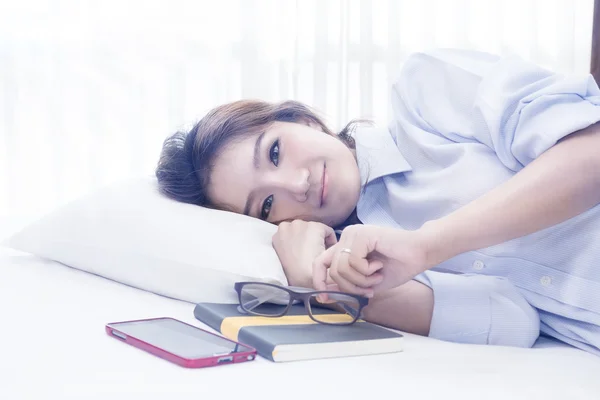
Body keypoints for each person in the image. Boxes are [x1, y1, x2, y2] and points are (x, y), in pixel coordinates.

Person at [155, 48, 600, 356]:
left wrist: (429, 244)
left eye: (274, 150)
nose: (297, 183)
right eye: (266, 205)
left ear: (303, 119)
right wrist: (323, 288)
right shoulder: (361, 256)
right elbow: (513, 322)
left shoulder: (426, 91)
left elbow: (592, 151)